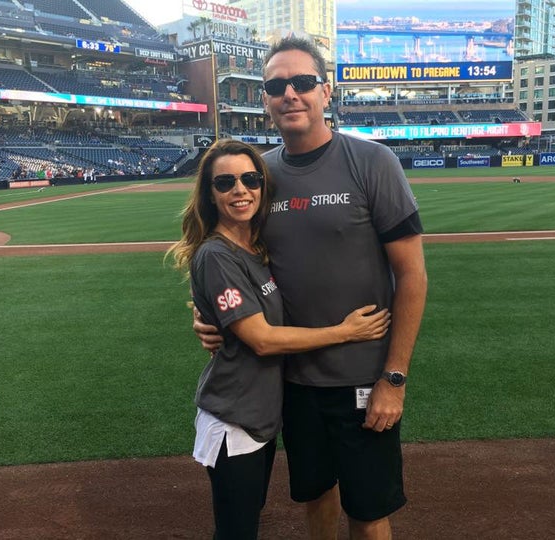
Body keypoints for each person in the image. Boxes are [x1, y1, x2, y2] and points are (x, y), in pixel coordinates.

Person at [195, 37, 428, 539]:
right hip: (294, 384)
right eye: (277, 85)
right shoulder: (260, 177)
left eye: (302, 83)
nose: (290, 94)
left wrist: (394, 378)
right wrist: (212, 318)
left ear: (326, 92)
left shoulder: (372, 162)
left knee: (367, 513)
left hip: (364, 381)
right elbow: (236, 263)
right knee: (316, 498)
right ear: (265, 99)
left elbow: (412, 275)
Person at [167, 139, 391, 540]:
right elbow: (263, 340)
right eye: (225, 183)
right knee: (237, 530)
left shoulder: (253, 247)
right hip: (233, 417)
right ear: (209, 193)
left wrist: (206, 316)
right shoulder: (217, 254)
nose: (240, 190)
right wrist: (345, 331)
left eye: (250, 179)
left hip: (259, 417)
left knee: (247, 519)